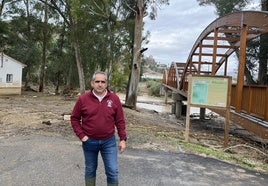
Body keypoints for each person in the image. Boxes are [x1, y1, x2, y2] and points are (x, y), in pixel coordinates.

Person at [70, 71, 127, 186]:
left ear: (106, 84)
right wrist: (82, 136)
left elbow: (120, 120)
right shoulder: (83, 99)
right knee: (90, 169)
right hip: (89, 141)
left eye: (103, 82)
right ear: (92, 83)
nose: (100, 84)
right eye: (97, 81)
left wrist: (122, 139)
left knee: (112, 171)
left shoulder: (114, 99)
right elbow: (74, 118)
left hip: (108, 142)